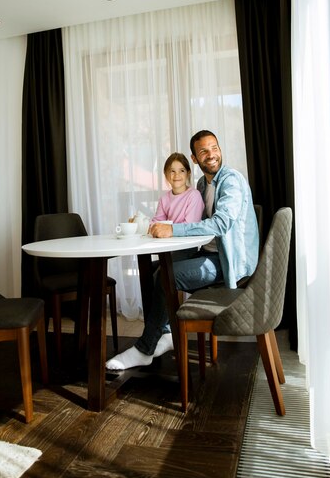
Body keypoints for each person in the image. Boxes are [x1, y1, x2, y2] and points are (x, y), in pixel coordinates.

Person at [106, 130, 259, 371]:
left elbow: (221, 224)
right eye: (204, 151)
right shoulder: (202, 184)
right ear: (195, 158)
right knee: (156, 269)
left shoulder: (231, 180)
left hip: (230, 261)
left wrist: (172, 230)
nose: (211, 155)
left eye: (215, 148)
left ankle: (145, 349)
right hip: (210, 253)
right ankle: (165, 334)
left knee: (164, 275)